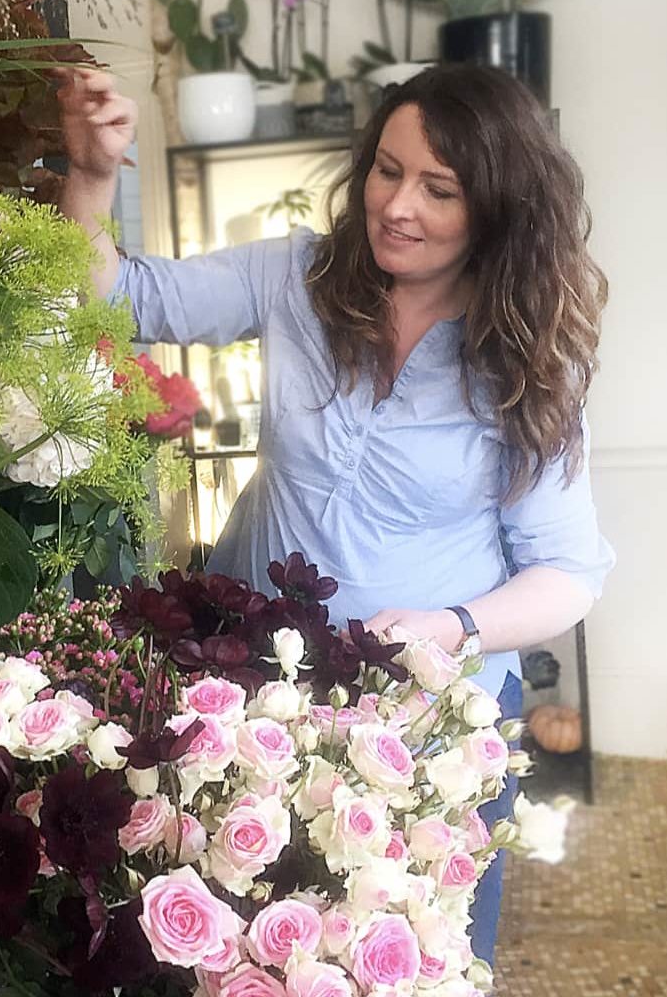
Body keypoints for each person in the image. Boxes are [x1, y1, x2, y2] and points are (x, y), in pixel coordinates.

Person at [55, 62, 615, 964]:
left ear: (499, 209)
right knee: (256, 959)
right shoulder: (297, 277)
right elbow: (120, 295)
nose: (397, 205)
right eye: (387, 171)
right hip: (265, 703)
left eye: (440, 189)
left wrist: (448, 626)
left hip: (426, 727)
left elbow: (568, 576)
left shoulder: (525, 361)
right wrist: (90, 175)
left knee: (419, 960)